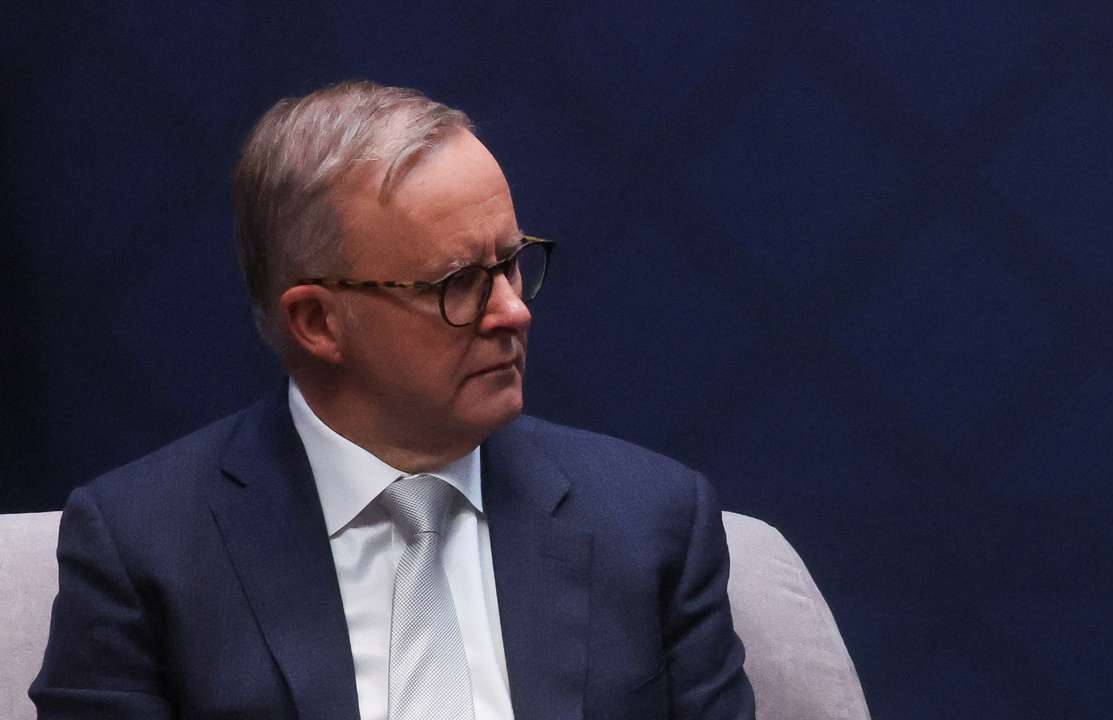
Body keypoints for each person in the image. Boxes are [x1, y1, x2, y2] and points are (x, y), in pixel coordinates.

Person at [29, 80, 755, 719]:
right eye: (460, 283)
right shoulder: (144, 548)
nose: (513, 311)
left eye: (511, 263)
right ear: (317, 322)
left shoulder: (652, 523)